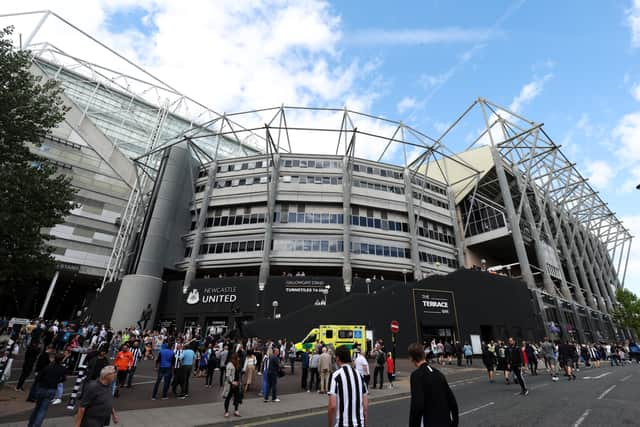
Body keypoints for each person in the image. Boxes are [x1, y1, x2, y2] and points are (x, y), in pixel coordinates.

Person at [408, 343, 458, 427]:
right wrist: (455, 422)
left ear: (412, 358)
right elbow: (452, 401)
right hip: (446, 422)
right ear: (424, 355)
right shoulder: (439, 374)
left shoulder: (416, 375)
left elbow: (417, 406)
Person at [328, 345, 368, 427]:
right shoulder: (359, 375)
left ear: (338, 358)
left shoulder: (335, 376)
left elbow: (332, 406)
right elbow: (365, 406)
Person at [27, 353, 66, 427]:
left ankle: (30, 424)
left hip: (43, 388)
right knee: (43, 409)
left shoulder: (47, 367)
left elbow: (39, 377)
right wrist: (57, 381)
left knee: (37, 408)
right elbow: (64, 379)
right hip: (52, 389)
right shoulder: (62, 369)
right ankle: (37, 425)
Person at [223, 352, 242, 417]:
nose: (239, 359)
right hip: (230, 384)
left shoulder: (238, 364)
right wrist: (232, 382)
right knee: (228, 398)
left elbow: (239, 374)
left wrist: (239, 382)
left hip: (237, 383)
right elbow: (227, 375)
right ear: (235, 358)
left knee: (237, 397)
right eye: (237, 358)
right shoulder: (229, 365)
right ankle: (226, 411)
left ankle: (236, 411)